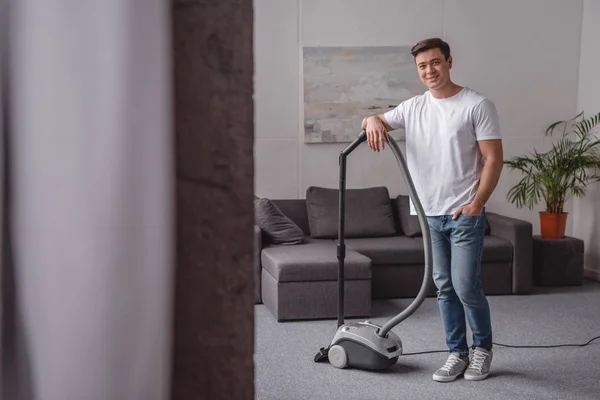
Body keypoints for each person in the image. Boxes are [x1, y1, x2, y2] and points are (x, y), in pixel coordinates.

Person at [361, 38, 503, 382]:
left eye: (435, 63)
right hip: (427, 216)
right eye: (423, 66)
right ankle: (456, 353)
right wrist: (372, 120)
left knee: (466, 284)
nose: (430, 71)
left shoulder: (476, 104)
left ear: (449, 62)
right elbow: (375, 118)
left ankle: (481, 350)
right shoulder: (412, 108)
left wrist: (477, 204)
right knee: (443, 287)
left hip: (464, 213)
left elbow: (493, 159)